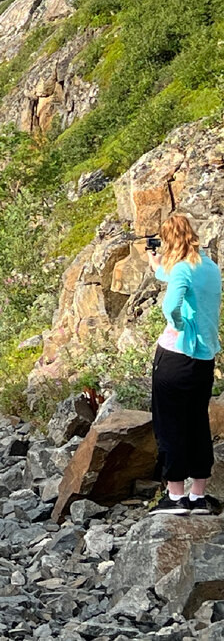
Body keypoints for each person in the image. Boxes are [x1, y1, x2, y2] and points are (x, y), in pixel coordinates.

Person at [147, 213, 222, 515]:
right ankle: (198, 496)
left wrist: (177, 324)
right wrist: (157, 268)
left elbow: (171, 304)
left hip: (175, 357)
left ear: (168, 240)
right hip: (204, 360)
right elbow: (181, 277)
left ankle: (175, 495)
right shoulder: (210, 267)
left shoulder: (180, 269)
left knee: (170, 423)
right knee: (196, 423)